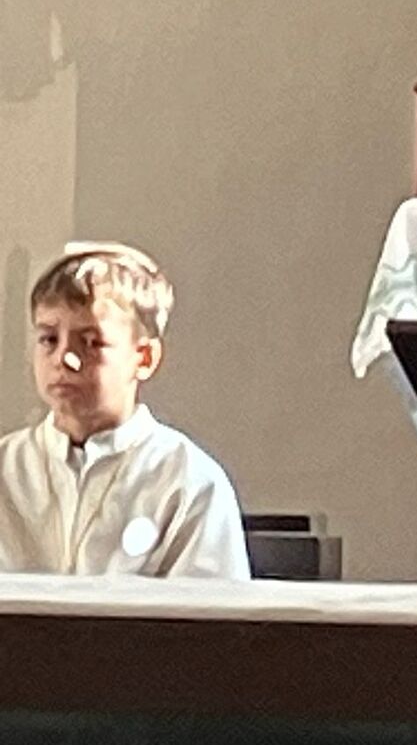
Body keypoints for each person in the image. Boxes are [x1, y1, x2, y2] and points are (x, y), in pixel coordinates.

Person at [0, 244, 250, 578]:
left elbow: (210, 607)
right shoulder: (7, 469)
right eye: (49, 339)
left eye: (91, 342)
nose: (64, 359)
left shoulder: (188, 481)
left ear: (144, 358)